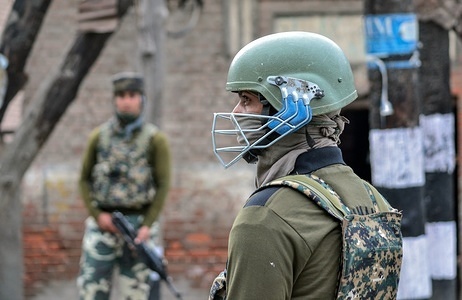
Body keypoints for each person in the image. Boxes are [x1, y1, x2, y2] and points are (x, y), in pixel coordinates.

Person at [209, 31, 401, 299]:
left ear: (292, 106)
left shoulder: (265, 217)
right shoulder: (376, 202)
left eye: (246, 100)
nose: (235, 113)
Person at [77, 72, 172, 300]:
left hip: (138, 229)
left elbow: (163, 184)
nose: (126, 101)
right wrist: (97, 215)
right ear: (114, 100)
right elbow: (83, 179)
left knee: (137, 294)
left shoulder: (155, 140)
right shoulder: (99, 137)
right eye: (120, 95)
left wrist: (148, 225)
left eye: (132, 95)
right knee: (91, 292)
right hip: (103, 226)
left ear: (141, 99)